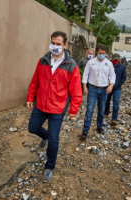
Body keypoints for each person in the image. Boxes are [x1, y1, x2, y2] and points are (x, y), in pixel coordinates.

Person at [27, 31, 82, 183]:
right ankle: (44, 136)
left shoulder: (71, 65)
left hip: (57, 108)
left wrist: (73, 110)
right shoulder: (43, 60)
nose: (55, 46)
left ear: (65, 45)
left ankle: (49, 167)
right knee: (32, 128)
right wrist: (30, 97)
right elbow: (35, 81)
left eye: (58, 44)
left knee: (54, 139)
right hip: (41, 105)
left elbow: (76, 90)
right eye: (53, 43)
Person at [81, 45, 116, 140]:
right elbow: (85, 75)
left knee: (101, 110)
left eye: (104, 54)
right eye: (100, 53)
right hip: (92, 88)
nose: (102, 55)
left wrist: (111, 86)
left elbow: (112, 76)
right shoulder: (91, 62)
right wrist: (84, 86)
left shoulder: (109, 64)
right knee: (89, 110)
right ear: (97, 52)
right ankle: (85, 131)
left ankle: (99, 126)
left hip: (104, 90)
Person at [104, 54, 127, 125]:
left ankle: (114, 118)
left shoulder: (122, 67)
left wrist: (119, 83)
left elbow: (124, 77)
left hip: (117, 88)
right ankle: (106, 113)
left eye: (117, 60)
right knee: (106, 101)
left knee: (116, 103)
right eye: (115, 59)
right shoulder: (108, 65)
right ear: (112, 59)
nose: (115, 61)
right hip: (108, 86)